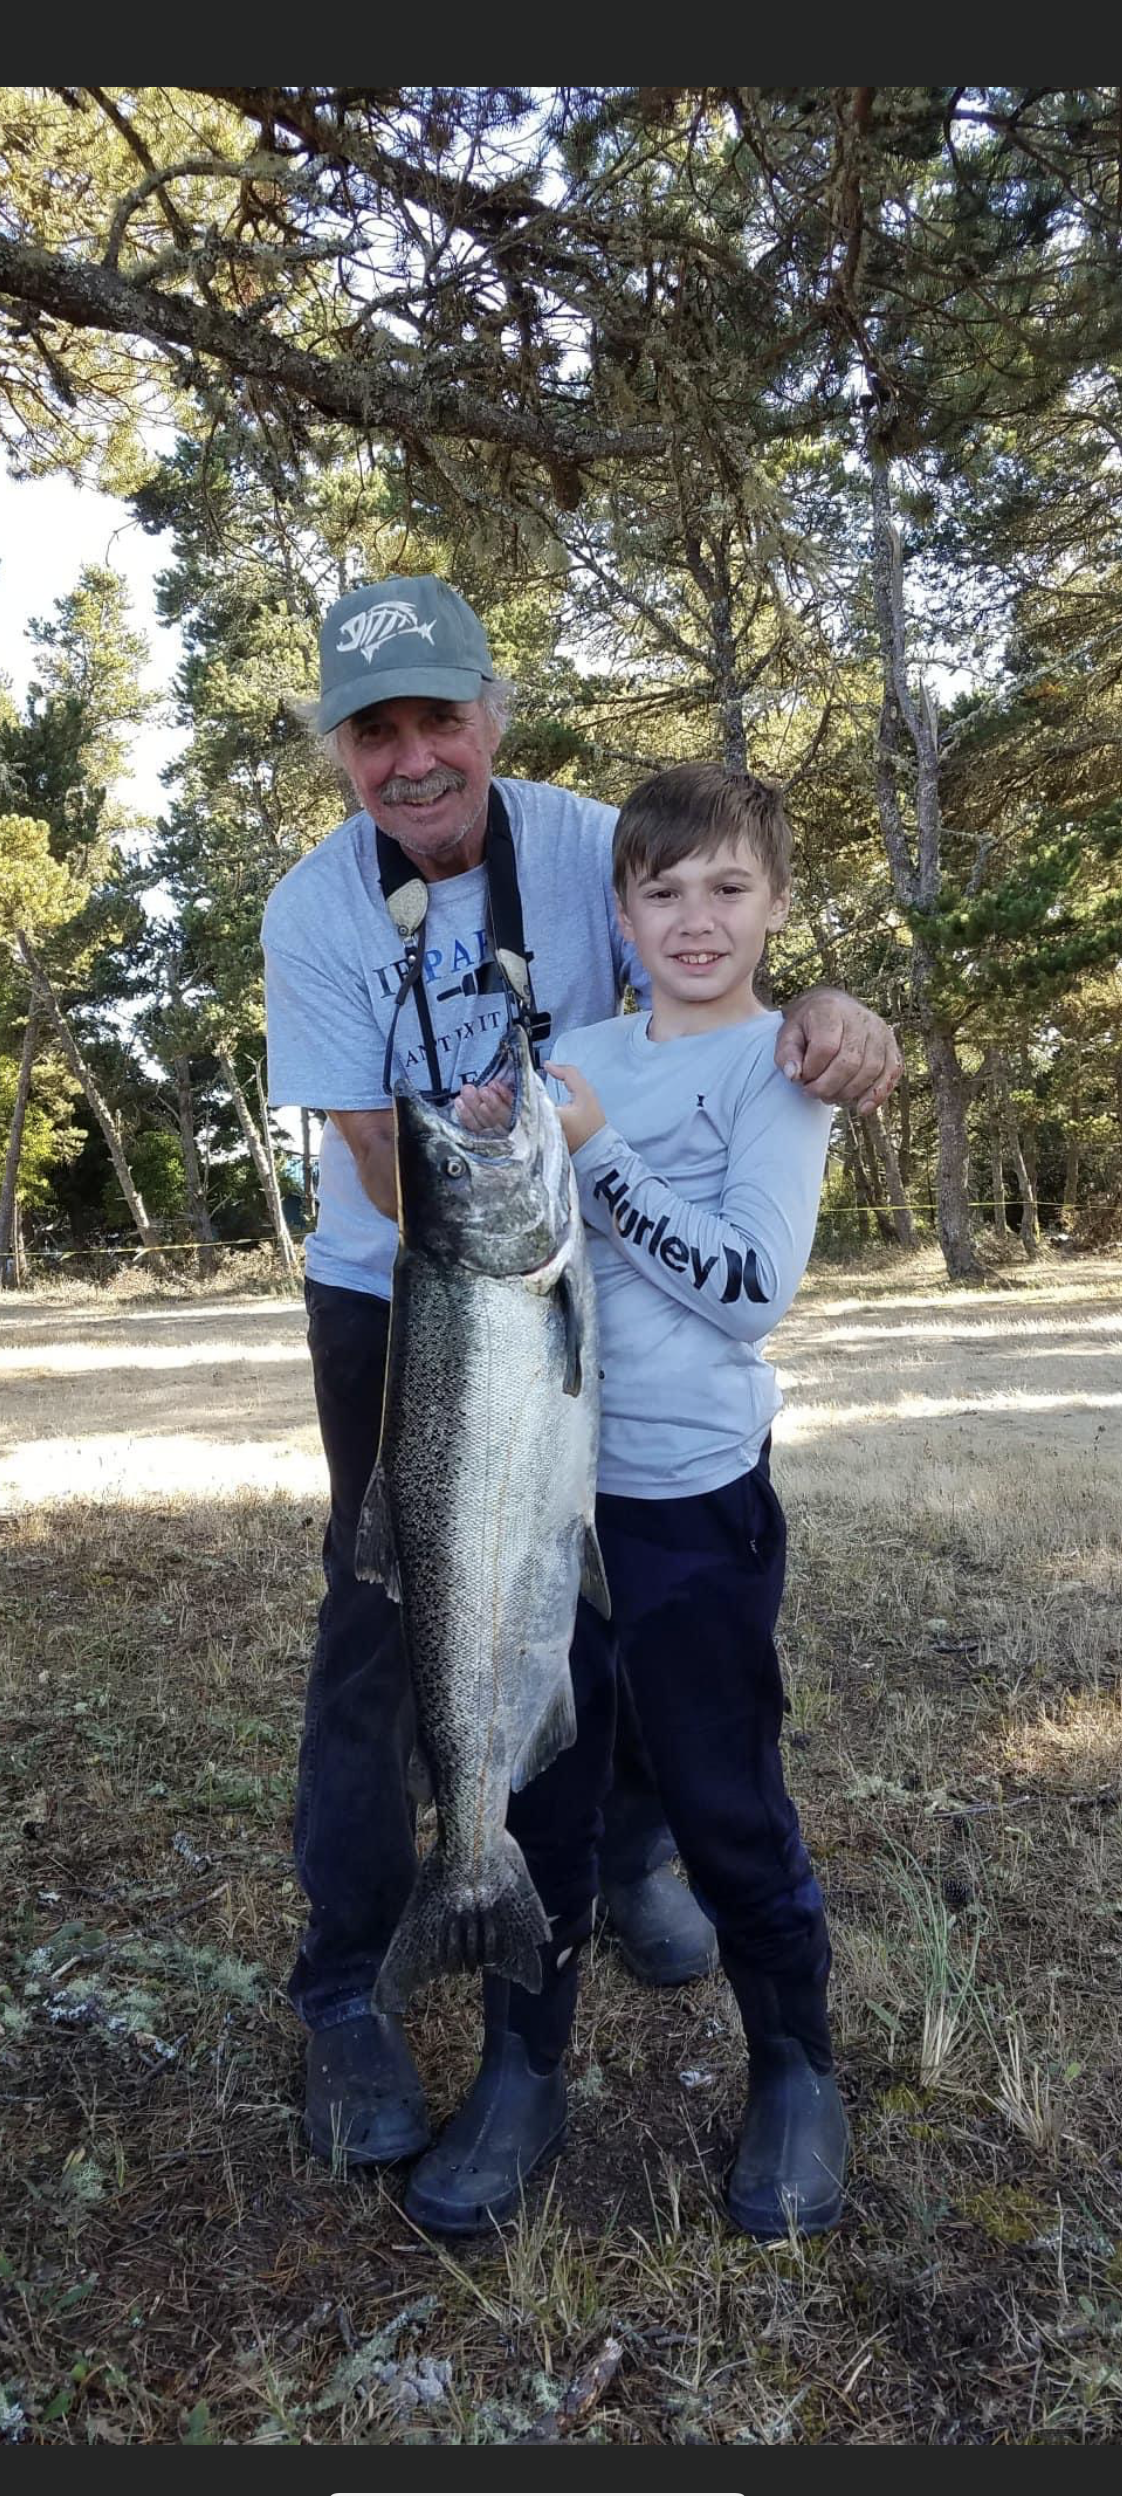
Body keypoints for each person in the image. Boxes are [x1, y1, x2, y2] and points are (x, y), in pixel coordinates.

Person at [261, 575, 899, 2172]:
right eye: (374, 732)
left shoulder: (593, 845)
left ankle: (626, 1858)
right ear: (343, 751)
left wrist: (830, 1012)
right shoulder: (314, 912)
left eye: (440, 720)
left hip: (598, 1305)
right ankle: (349, 1984)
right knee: (394, 1606)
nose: (413, 759)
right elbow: (377, 1161)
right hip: (412, 1283)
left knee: (619, 1605)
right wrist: (509, 1184)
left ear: (493, 715)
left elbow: (718, 983)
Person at [403, 763, 846, 2240]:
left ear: (776, 905)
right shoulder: (572, 1052)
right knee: (534, 1801)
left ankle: (793, 2063)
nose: (696, 919)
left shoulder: (774, 1068)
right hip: (539, 1514)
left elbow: (749, 1293)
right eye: (663, 892)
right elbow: (491, 1205)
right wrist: (503, 1122)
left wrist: (600, 1156)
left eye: (728, 888)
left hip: (689, 1508)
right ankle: (521, 2070)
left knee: (724, 1800)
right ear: (622, 909)